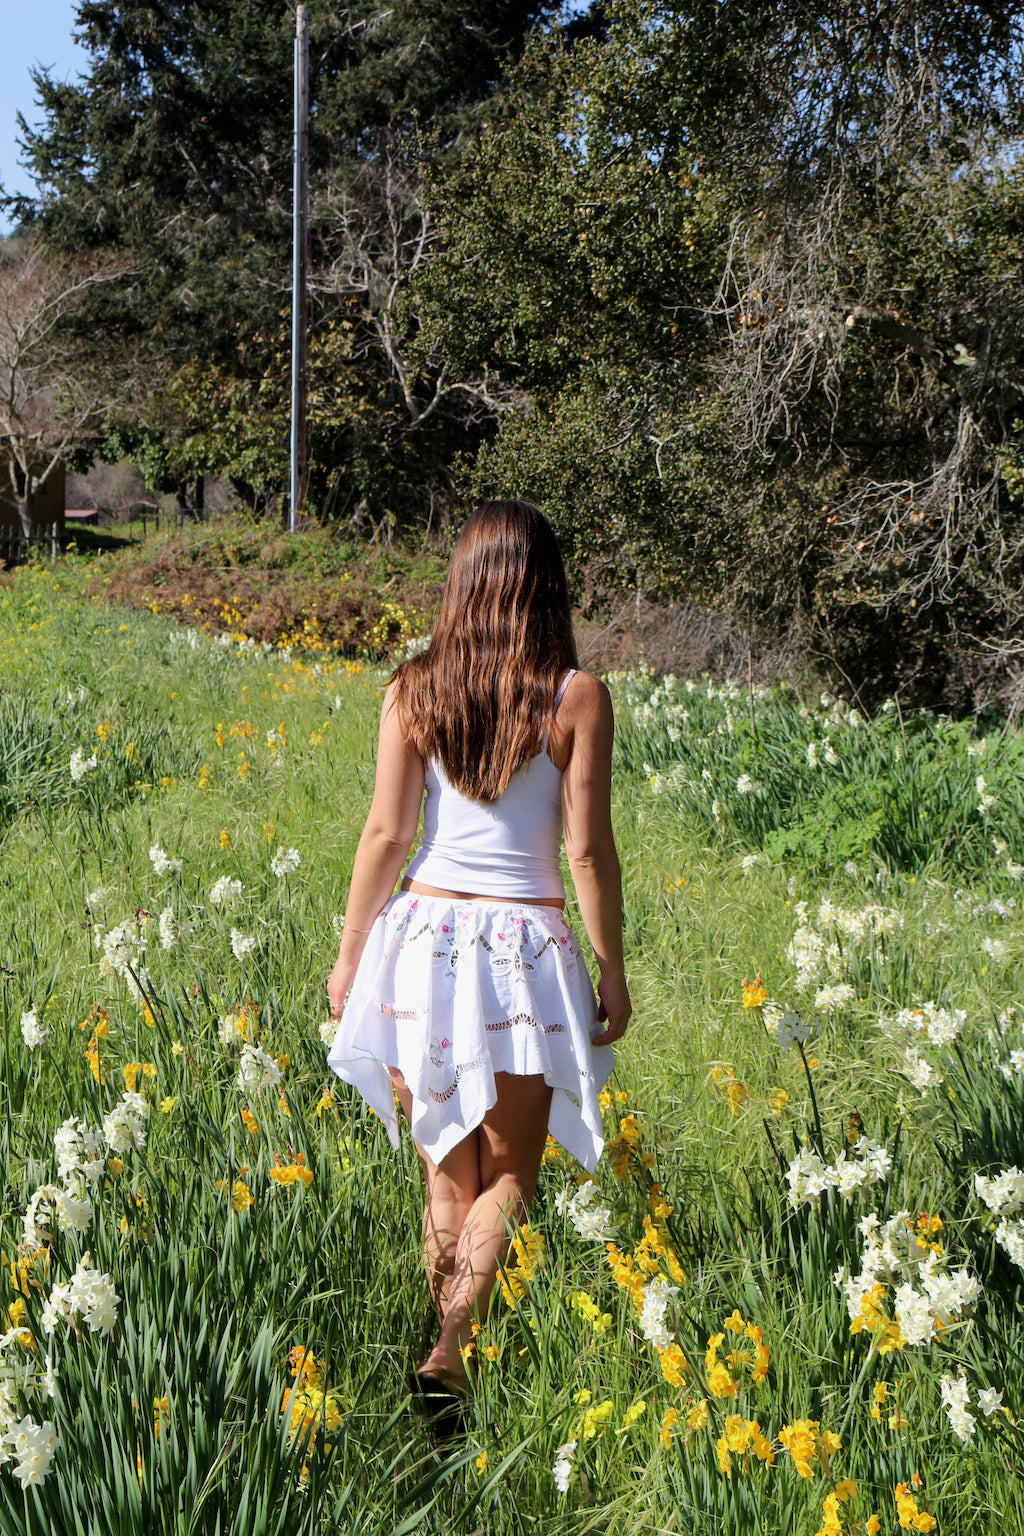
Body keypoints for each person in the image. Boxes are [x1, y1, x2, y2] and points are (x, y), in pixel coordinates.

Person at [325, 500, 631, 1421]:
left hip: (421, 944)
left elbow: (386, 834)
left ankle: (442, 1352)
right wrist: (611, 970)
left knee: (445, 1173)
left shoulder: (413, 687)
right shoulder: (575, 696)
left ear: (461, 581)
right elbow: (586, 853)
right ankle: (453, 1349)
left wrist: (349, 959)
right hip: (521, 954)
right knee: (510, 1175)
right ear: (545, 585)